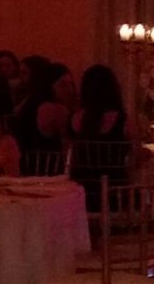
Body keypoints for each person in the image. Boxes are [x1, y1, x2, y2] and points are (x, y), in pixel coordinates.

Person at [70, 65, 132, 210]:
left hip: (81, 193)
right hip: (115, 193)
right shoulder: (123, 120)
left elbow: (69, 156)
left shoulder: (74, 119)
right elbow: (136, 158)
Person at [11, 58, 72, 154]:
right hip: (46, 163)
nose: (70, 89)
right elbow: (67, 143)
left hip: (25, 160)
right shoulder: (54, 109)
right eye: (63, 84)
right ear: (49, 86)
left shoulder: (27, 103)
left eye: (70, 84)